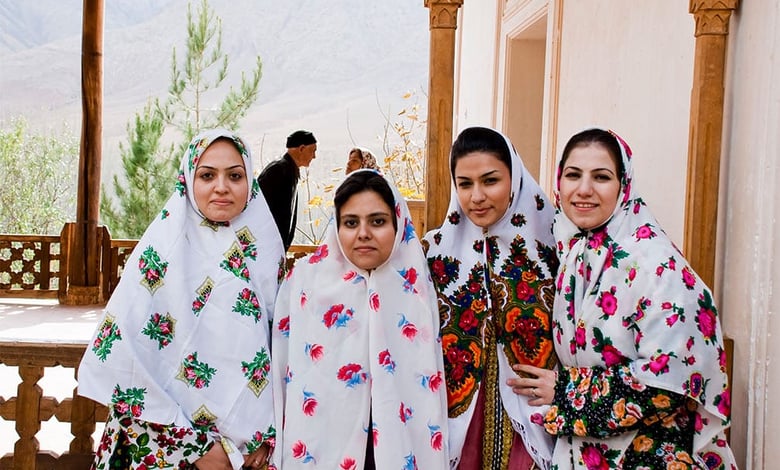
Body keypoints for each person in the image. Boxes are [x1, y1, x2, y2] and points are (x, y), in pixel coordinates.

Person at [510, 128, 737, 468]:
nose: (584, 189)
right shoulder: (577, 254)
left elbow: (672, 381)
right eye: (573, 175)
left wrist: (567, 390)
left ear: (623, 184)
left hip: (648, 455)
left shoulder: (655, 264)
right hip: (586, 452)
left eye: (601, 177)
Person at [78, 129, 284, 470]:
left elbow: (281, 350)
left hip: (251, 453)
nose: (222, 186)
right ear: (188, 179)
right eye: (207, 175)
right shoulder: (158, 255)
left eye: (235, 175)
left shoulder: (265, 254)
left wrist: (268, 438)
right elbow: (124, 359)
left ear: (250, 181)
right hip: (165, 446)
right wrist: (198, 449)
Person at [271, 170, 449, 469]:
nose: (363, 233)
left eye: (377, 221)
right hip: (321, 448)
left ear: (398, 224)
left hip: (397, 446)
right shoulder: (305, 281)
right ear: (336, 227)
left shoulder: (415, 285)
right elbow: (279, 371)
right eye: (351, 222)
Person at [422, 126, 559, 469]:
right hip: (460, 425)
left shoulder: (557, 249)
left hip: (538, 426)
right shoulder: (433, 254)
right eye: (465, 184)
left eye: (490, 180)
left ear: (516, 178)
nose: (477, 196)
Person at [258, 130, 317, 250]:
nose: (314, 156)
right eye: (313, 151)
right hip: (267, 246)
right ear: (301, 148)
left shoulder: (288, 170)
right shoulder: (279, 170)